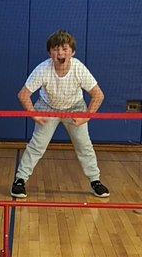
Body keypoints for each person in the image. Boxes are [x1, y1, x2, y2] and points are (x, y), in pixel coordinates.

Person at [10, 30, 109, 199]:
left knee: (84, 145)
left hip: (75, 108)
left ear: (72, 52)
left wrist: (86, 116)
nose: (60, 53)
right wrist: (34, 114)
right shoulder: (43, 69)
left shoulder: (79, 68)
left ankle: (95, 181)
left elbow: (98, 95)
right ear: (50, 53)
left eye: (64, 48)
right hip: (47, 107)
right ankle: (19, 181)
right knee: (37, 145)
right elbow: (23, 94)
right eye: (56, 49)